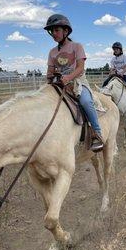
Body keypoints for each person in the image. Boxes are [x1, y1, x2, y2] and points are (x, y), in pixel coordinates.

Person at [44, 14, 103, 152]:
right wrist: (50, 78)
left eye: (56, 30)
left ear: (66, 31)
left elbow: (80, 68)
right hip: (58, 83)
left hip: (77, 82)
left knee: (87, 102)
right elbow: (49, 72)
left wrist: (68, 78)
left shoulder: (76, 46)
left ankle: (97, 133)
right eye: (51, 31)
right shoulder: (52, 52)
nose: (54, 33)